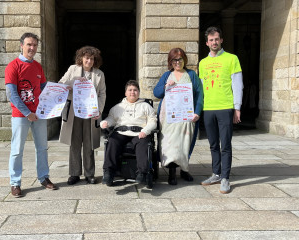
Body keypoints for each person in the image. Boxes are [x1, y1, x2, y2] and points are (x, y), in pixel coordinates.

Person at [5, 32, 57, 198]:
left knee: (42, 147)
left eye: (34, 45)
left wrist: (61, 90)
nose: (32, 48)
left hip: (39, 114)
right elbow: (12, 94)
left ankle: (43, 177)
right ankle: (15, 183)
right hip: (21, 115)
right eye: (29, 44)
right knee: (17, 150)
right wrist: (28, 113)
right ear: (22, 45)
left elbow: (43, 88)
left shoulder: (37, 67)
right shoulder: (13, 66)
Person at [199, 26, 243, 194]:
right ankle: (216, 173)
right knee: (212, 144)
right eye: (211, 40)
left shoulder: (232, 59)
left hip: (225, 107)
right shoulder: (203, 63)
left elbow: (237, 85)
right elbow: (202, 87)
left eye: (216, 39)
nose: (214, 42)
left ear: (221, 40)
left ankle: (225, 177)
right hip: (208, 108)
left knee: (225, 144)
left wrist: (236, 108)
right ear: (207, 43)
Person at [153, 48, 203, 185]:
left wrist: (197, 112)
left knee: (184, 143)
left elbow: (199, 95)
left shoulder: (192, 75)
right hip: (169, 117)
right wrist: (165, 86)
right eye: (174, 59)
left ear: (184, 60)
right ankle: (172, 172)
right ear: (170, 61)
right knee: (171, 144)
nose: (177, 62)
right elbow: (156, 93)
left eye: (180, 59)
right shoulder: (167, 75)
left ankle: (184, 170)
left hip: (186, 116)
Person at [59, 46, 106, 185]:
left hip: (91, 113)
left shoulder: (99, 74)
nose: (89, 61)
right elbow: (61, 84)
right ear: (81, 58)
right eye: (86, 58)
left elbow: (102, 93)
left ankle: (89, 174)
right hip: (75, 112)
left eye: (92, 58)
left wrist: (99, 110)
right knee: (74, 143)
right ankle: (74, 173)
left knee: (89, 142)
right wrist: (72, 83)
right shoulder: (72, 69)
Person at [100, 80, 157, 186]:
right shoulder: (118, 107)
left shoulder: (146, 106)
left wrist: (145, 131)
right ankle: (109, 172)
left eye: (135, 90)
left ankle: (142, 172)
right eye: (130, 90)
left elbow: (153, 121)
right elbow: (111, 118)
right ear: (125, 93)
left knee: (143, 143)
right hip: (121, 132)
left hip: (139, 132)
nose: (132, 92)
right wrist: (105, 122)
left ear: (139, 92)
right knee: (112, 141)